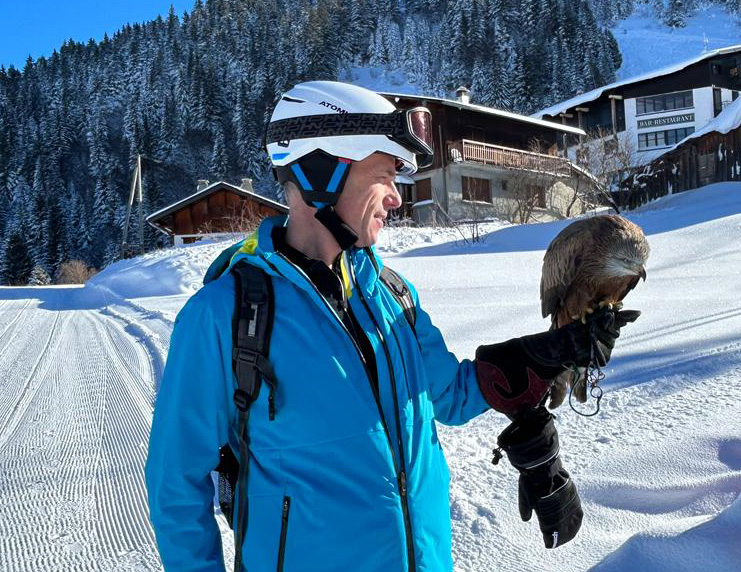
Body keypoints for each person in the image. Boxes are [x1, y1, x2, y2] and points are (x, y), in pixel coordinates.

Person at [145, 81, 637, 571]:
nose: (396, 199)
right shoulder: (225, 315)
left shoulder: (392, 296)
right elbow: (176, 486)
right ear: (323, 172)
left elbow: (451, 395)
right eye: (385, 175)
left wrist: (547, 351)